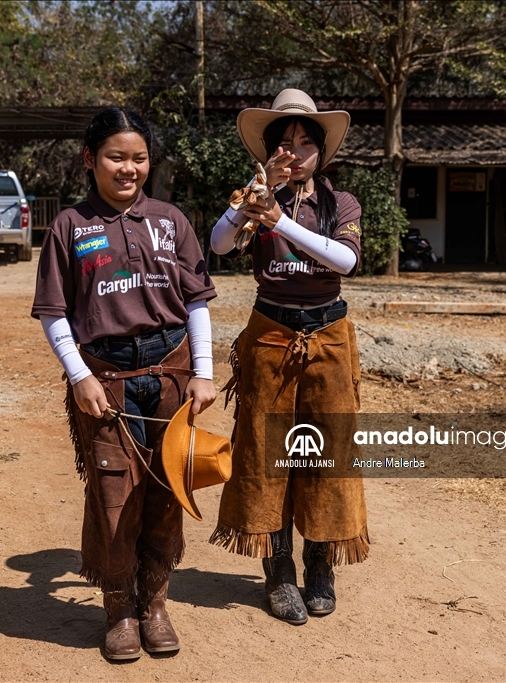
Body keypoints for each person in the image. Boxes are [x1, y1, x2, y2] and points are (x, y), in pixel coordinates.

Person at [32, 107, 217, 660]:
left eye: (139, 158)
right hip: (106, 380)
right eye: (116, 157)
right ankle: (118, 608)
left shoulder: (170, 220)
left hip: (169, 373)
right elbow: (54, 312)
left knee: (166, 490)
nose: (129, 168)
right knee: (114, 495)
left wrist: (203, 371)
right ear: (90, 160)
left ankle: (154, 604)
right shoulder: (70, 226)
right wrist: (79, 375)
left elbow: (196, 302)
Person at [208, 89, 369, 625]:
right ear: (270, 152)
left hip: (328, 336)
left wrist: (280, 221)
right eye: (285, 142)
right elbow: (221, 245)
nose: (295, 152)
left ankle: (320, 564)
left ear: (322, 153)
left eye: (306, 142)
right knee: (267, 451)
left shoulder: (340, 203)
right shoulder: (254, 196)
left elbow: (344, 260)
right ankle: (278, 574)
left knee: (325, 452)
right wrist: (257, 199)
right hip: (271, 334)